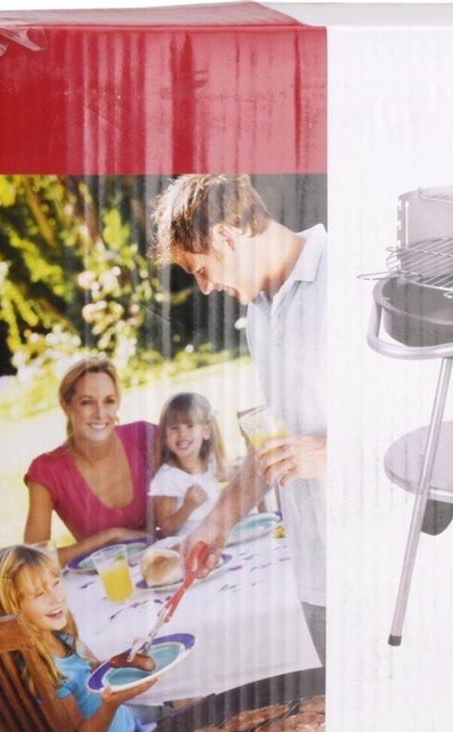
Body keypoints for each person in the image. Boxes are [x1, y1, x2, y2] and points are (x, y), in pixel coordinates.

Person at [151, 174, 327, 661]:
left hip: (378, 568)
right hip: (317, 575)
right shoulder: (261, 314)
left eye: (202, 270)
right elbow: (274, 443)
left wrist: (330, 452)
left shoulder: (346, 275)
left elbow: (422, 416)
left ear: (227, 236)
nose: (206, 288)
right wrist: (216, 524)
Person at [0, 544, 156, 732]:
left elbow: (93, 671)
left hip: (128, 726)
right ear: (10, 610)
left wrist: (127, 656)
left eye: (56, 583)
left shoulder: (58, 636)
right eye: (39, 594)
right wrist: (111, 705)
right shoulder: (42, 673)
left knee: (192, 718)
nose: (56, 597)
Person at [24, 357, 157, 566]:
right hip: (103, 578)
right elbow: (32, 559)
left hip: (165, 562)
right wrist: (109, 537)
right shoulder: (46, 471)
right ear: (66, 406)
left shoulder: (144, 436)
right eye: (87, 402)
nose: (100, 414)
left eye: (109, 401)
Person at [149, 392, 227, 539]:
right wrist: (187, 507)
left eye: (190, 426)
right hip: (187, 543)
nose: (182, 434)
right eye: (174, 428)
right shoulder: (167, 477)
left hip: (218, 535)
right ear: (165, 436)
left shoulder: (211, 463)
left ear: (205, 431)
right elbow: (166, 530)